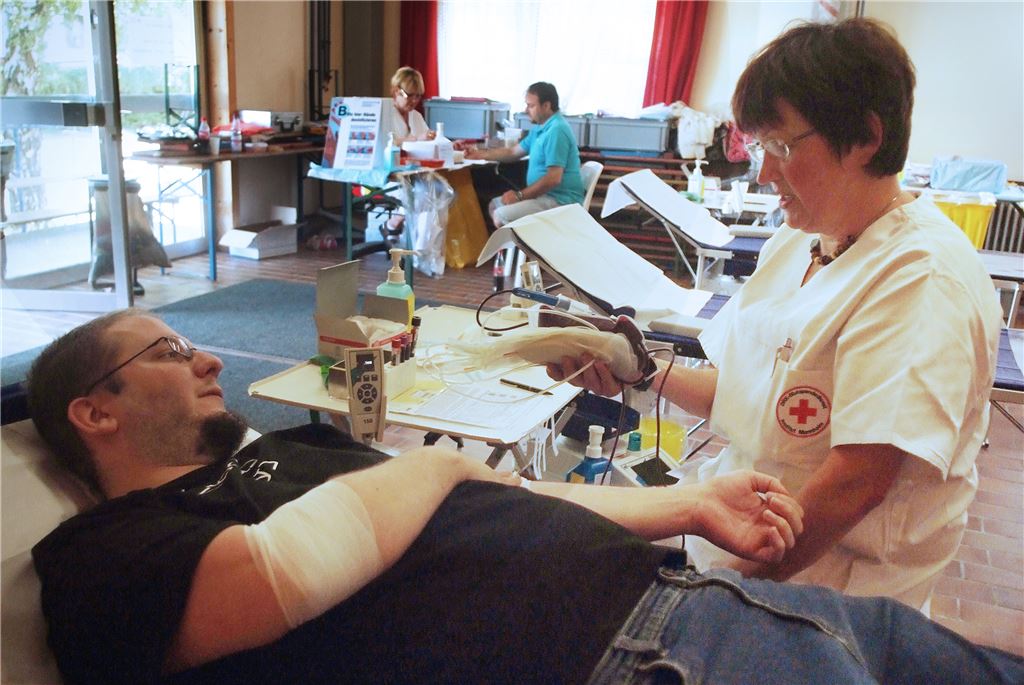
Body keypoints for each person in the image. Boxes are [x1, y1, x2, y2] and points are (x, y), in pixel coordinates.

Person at [27, 310, 1022, 685]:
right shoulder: (100, 555)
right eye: (166, 352)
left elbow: (480, 499)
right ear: (95, 413)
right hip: (639, 657)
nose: (206, 354)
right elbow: (281, 569)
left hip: (717, 610)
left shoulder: (297, 449)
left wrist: (685, 503)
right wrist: (440, 468)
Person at [549, 17, 1004, 612]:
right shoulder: (800, 243)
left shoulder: (920, 277)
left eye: (783, 147)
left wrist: (718, 591)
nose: (765, 173)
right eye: (762, 147)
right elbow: (741, 390)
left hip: (827, 587)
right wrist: (639, 370)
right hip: (742, 532)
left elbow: (855, 483)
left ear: (866, 137)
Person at [465, 81, 585, 228]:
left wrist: (519, 196)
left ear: (546, 106)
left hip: (559, 201)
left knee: (500, 214)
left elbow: (554, 178)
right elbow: (513, 152)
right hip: (544, 197)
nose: (526, 110)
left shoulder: (556, 130)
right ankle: (516, 249)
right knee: (494, 205)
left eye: (531, 105)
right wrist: (481, 154)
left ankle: (526, 249)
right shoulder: (541, 127)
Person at [384, 66, 435, 144]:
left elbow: (429, 140)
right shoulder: (385, 116)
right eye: (409, 95)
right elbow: (386, 143)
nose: (414, 101)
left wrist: (451, 145)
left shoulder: (416, 116)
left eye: (417, 96)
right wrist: (416, 139)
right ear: (396, 91)